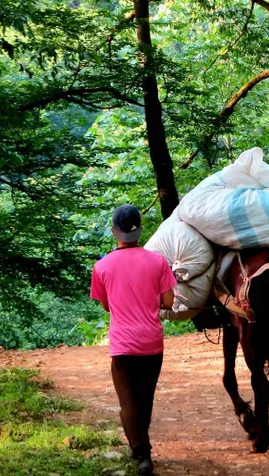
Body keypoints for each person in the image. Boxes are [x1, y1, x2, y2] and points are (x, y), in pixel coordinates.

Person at [90, 204, 176, 476]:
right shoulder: (158, 262)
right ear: (140, 229)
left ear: (114, 231)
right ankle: (140, 446)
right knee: (145, 397)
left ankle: (142, 453)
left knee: (128, 401)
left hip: (122, 345)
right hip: (152, 342)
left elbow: (105, 306)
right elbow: (169, 302)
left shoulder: (102, 266)